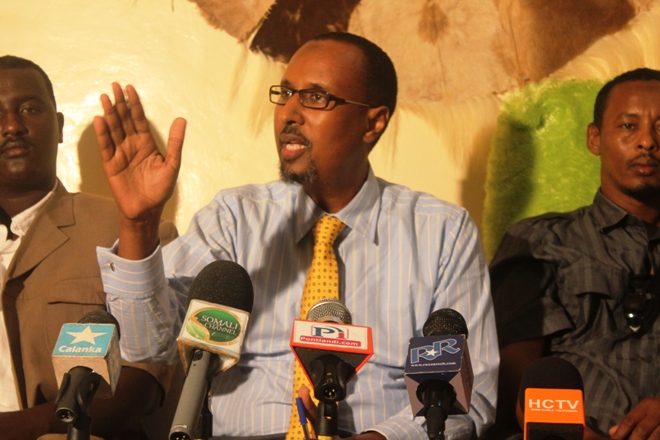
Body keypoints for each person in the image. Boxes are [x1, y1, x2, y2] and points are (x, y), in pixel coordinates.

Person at [93, 32, 498, 440]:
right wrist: (139, 223)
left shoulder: (442, 232)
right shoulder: (234, 218)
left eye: (315, 97)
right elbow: (148, 347)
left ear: (373, 123)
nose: (289, 112)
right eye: (285, 93)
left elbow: (472, 395)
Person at [0, 55, 177, 440]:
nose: (12, 126)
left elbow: (146, 378)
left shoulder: (128, 229)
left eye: (29, 109)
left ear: (59, 126)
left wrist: (22, 428)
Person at [489, 68, 660, 440]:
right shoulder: (538, 239)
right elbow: (513, 373)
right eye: (629, 126)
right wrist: (569, 432)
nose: (647, 142)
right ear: (595, 138)